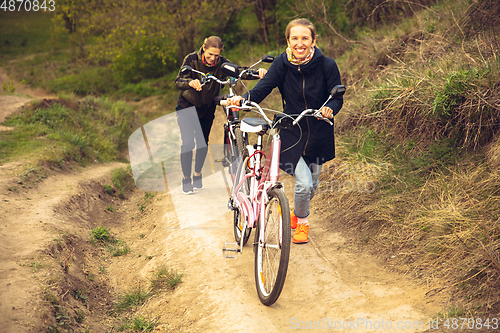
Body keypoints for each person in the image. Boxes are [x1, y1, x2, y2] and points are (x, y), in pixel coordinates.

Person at [227, 19, 343, 244]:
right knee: (305, 183)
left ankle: (296, 213)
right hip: (291, 130)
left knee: (313, 184)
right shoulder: (281, 63)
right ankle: (302, 223)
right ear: (288, 41)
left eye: (305, 38)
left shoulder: (327, 65)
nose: (300, 44)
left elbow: (337, 96)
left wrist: (330, 109)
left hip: (320, 131)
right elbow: (264, 86)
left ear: (313, 41)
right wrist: (244, 99)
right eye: (295, 38)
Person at [175, 36, 266, 194]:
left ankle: (197, 174)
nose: (212, 59)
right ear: (204, 48)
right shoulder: (191, 59)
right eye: (210, 54)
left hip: (207, 107)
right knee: (188, 143)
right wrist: (189, 82)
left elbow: (238, 71)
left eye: (216, 56)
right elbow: (178, 81)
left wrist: (257, 73)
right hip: (187, 105)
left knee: (203, 143)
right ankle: (185, 178)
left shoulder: (221, 63)